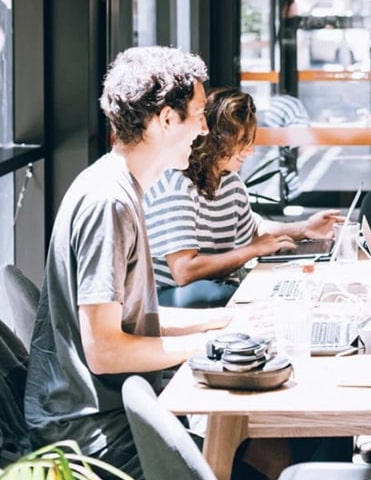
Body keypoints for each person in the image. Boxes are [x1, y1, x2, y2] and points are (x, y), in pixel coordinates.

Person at [23, 46, 225, 478]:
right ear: (167, 119)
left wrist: (221, 324)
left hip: (102, 415)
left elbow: (130, 319)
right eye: (199, 114)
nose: (205, 129)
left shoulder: (117, 186)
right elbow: (106, 350)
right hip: (94, 435)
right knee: (264, 448)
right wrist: (214, 346)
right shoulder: (109, 202)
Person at [144, 87, 341, 308]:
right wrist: (253, 250)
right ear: (218, 140)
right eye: (243, 142)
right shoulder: (176, 184)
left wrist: (304, 228)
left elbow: (255, 229)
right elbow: (184, 271)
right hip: (168, 295)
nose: (250, 151)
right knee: (222, 295)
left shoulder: (230, 182)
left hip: (212, 286)